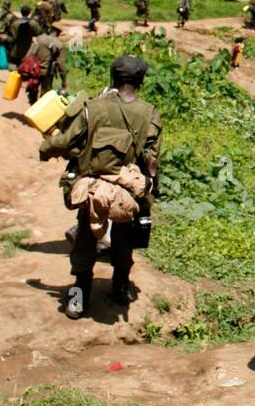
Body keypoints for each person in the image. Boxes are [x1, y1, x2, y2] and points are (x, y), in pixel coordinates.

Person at [40, 55, 163, 318]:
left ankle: (79, 295)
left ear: (113, 77)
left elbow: (68, 141)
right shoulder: (149, 112)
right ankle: (120, 285)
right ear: (140, 81)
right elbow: (152, 159)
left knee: (85, 237)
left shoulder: (91, 107)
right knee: (125, 238)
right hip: (126, 191)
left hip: (92, 187)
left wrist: (46, 148)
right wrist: (151, 190)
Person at [27, 21, 67, 104]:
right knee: (45, 94)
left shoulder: (40, 38)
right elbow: (61, 65)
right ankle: (39, 110)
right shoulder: (59, 44)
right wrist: (64, 81)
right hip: (48, 73)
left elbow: (31, 53)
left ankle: (32, 104)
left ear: (51, 29)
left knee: (33, 89)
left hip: (35, 70)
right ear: (59, 32)